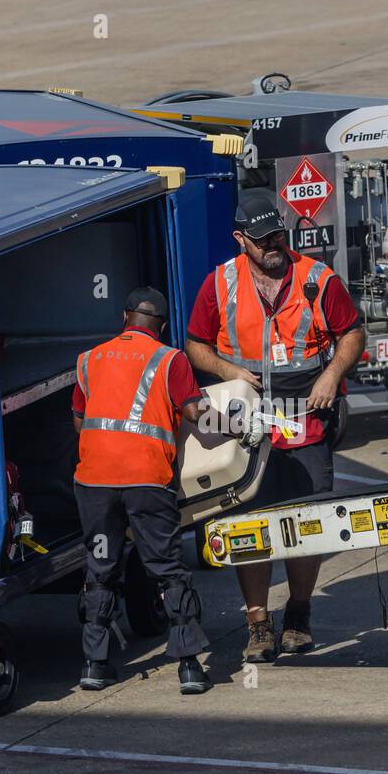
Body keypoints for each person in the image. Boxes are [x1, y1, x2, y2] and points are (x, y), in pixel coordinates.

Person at [186, 189, 365, 661]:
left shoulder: (317, 279)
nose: (273, 246)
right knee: (250, 524)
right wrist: (230, 373)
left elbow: (353, 332)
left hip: (307, 417)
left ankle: (299, 614)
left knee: (308, 520)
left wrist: (332, 373)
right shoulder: (219, 283)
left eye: (279, 236)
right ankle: (258, 623)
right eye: (263, 239)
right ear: (240, 239)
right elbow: (194, 345)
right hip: (250, 421)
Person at [71, 286, 260, 695]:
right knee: (168, 570)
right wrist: (238, 426)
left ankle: (94, 665)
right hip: (146, 481)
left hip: (94, 482)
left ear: (125, 318)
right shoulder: (169, 359)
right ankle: (190, 667)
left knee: (101, 569)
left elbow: (79, 417)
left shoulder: (90, 359)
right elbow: (194, 412)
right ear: (162, 325)